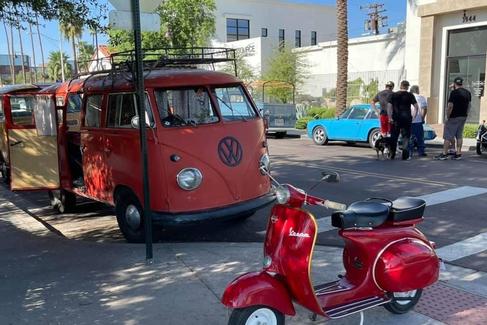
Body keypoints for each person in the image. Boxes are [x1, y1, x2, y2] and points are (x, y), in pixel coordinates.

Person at [435, 77, 471, 160]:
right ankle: (458, 153)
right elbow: (469, 105)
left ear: (454, 83)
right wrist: (466, 113)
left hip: (454, 116)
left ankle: (444, 153)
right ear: (462, 83)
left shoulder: (454, 93)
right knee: (459, 135)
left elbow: (450, 106)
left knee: (448, 136)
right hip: (463, 116)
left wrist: (447, 116)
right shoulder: (467, 93)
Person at [387, 80, 419, 160]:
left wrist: (390, 117)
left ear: (400, 86)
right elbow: (416, 107)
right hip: (406, 118)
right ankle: (405, 155)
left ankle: (392, 154)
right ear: (407, 87)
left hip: (396, 118)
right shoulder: (410, 95)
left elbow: (389, 107)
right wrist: (413, 116)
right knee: (406, 137)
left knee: (394, 136)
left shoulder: (393, 95)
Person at [409, 85, 428, 157]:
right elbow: (424, 109)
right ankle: (421, 152)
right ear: (417, 90)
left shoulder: (407, 97)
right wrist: (422, 118)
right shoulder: (421, 98)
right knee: (420, 137)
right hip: (418, 120)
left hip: (409, 120)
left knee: (409, 136)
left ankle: (409, 151)